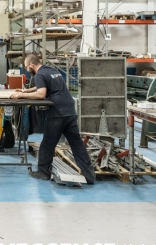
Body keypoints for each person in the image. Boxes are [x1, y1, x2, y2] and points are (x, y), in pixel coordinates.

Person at [10, 54, 95, 184]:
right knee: (77, 144)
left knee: (47, 144)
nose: (27, 70)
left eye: (27, 67)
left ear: (31, 65)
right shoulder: (52, 71)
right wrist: (26, 91)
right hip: (70, 110)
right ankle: (90, 176)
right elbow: (45, 86)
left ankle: (43, 172)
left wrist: (21, 95)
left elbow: (41, 93)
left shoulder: (38, 75)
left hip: (57, 112)